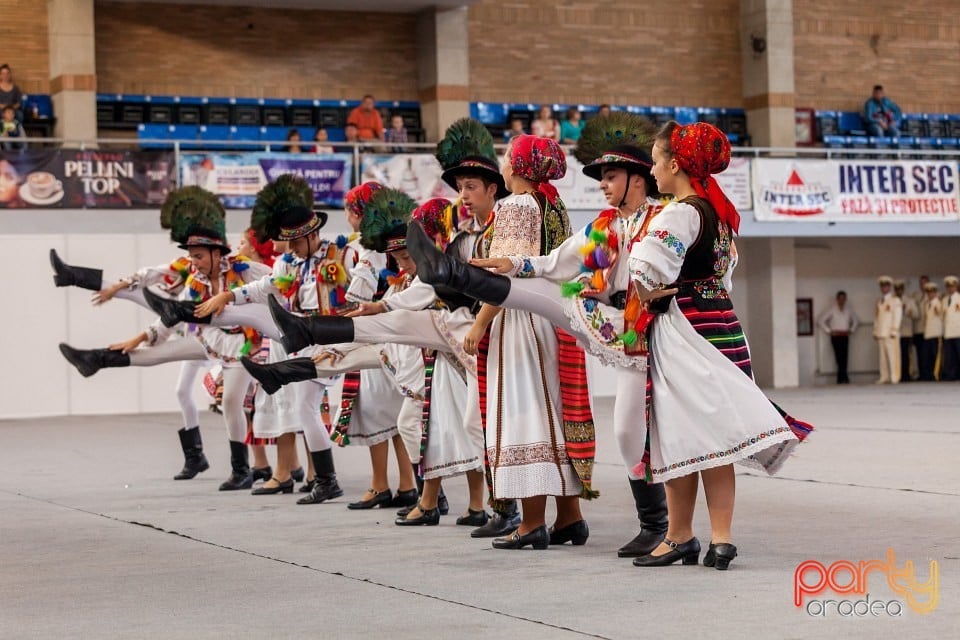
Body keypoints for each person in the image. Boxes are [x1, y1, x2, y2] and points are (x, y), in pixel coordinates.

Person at [407, 112, 670, 557]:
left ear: (522, 168)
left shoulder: (515, 205)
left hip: (526, 321)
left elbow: (512, 280)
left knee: (523, 414)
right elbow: (559, 263)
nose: (504, 165)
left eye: (509, 158)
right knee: (556, 412)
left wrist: (479, 321)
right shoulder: (559, 208)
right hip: (555, 321)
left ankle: (531, 522)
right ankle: (570, 517)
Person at [626, 121, 812, 569]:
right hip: (723, 325)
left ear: (674, 163)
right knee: (717, 436)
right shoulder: (718, 215)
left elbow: (646, 268)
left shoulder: (679, 212)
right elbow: (722, 276)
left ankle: (678, 535)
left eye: (654, 160)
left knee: (677, 432)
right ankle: (721, 540)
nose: (652, 170)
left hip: (686, 328)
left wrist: (647, 293)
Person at [58, 187, 272, 491]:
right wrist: (141, 338)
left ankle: (242, 470)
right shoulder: (195, 280)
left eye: (198, 256)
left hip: (245, 348)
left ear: (216, 253)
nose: (193, 263)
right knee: (158, 354)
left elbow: (275, 283)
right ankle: (97, 358)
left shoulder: (244, 269)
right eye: (191, 257)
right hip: (209, 339)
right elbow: (172, 314)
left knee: (231, 402)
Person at [818, 290, 859, 384]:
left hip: (844, 335)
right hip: (836, 336)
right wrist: (829, 331)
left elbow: (856, 321)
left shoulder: (848, 310)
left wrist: (851, 330)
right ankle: (841, 377)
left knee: (845, 357)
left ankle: (844, 377)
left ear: (845, 299)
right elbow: (821, 320)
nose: (842, 301)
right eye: (840, 299)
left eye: (843, 299)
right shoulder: (832, 310)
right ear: (837, 299)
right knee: (838, 357)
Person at [874, 275, 902, 384]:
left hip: (891, 333)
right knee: (883, 358)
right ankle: (884, 376)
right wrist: (875, 331)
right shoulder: (879, 301)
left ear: (890, 287)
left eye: (886, 286)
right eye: (882, 286)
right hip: (881, 332)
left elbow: (897, 316)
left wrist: (894, 330)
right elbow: (876, 317)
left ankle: (895, 376)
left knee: (893, 356)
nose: (884, 288)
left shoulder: (895, 300)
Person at [895, 280, 919, 381]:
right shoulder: (893, 300)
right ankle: (898, 375)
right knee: (897, 356)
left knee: (906, 356)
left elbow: (916, 315)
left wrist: (908, 312)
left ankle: (907, 375)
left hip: (906, 332)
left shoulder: (909, 300)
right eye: (897, 289)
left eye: (900, 289)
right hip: (896, 332)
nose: (899, 291)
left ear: (903, 289)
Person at [919, 282, 943, 381]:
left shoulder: (939, 303)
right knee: (927, 356)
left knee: (936, 356)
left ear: (935, 293)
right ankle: (928, 375)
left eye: (932, 292)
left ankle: (937, 375)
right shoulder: (926, 304)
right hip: (928, 333)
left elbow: (942, 317)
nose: (930, 294)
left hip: (936, 333)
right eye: (928, 292)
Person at [941, 276, 960, 381]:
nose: (950, 289)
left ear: (956, 286)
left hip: (958, 331)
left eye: (952, 286)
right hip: (948, 332)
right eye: (948, 287)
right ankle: (951, 375)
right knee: (950, 356)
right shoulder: (944, 300)